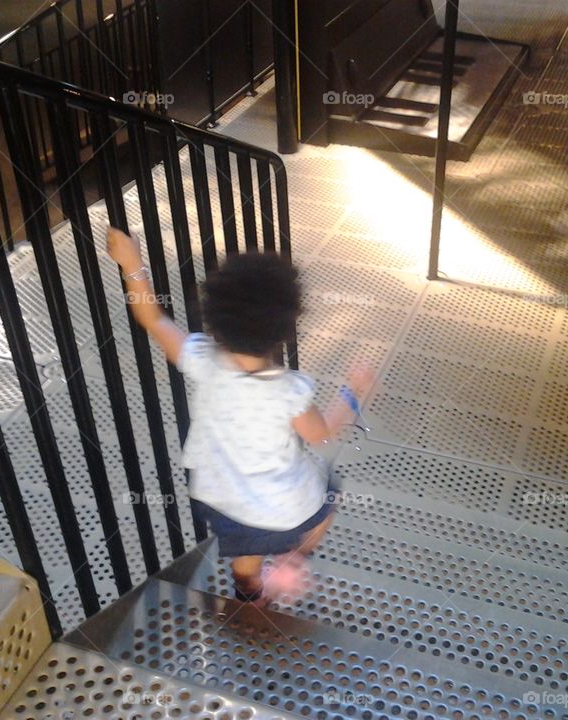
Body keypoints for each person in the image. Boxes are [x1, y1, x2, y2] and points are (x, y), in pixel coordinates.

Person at [107, 227, 373, 604]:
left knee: (245, 557)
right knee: (330, 492)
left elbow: (152, 319)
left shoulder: (202, 359)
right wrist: (354, 391)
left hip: (223, 501)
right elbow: (322, 433)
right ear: (283, 329)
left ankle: (248, 592)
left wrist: (132, 264)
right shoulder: (289, 391)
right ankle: (292, 559)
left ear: (215, 317)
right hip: (286, 506)